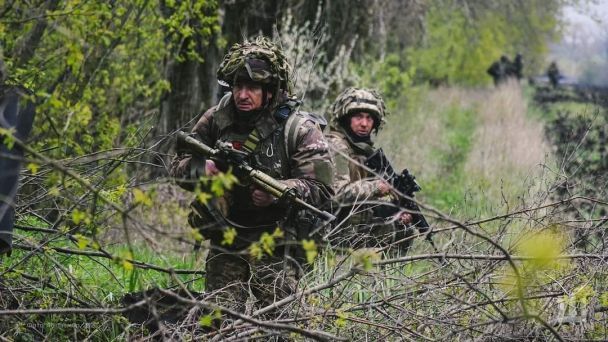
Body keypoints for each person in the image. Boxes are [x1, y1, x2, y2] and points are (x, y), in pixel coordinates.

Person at [169, 36, 333, 315]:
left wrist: (278, 191)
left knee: (281, 322)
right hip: (228, 236)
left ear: (270, 90)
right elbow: (178, 165)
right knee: (217, 318)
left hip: (278, 241)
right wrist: (202, 169)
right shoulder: (216, 119)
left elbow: (322, 189)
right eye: (237, 86)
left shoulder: (300, 128)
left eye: (253, 87)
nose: (243, 94)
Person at [325, 87, 414, 252]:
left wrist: (395, 211)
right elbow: (334, 196)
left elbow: (369, 201)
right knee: (393, 231)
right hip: (331, 227)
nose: (364, 124)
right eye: (358, 117)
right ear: (345, 119)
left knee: (404, 230)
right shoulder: (336, 146)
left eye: (369, 118)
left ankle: (387, 277)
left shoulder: (362, 150)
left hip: (353, 223)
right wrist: (376, 187)